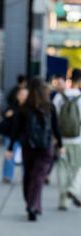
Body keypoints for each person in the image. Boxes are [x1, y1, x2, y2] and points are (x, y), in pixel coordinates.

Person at [6, 77, 63, 221]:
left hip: (28, 146)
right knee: (38, 177)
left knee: (29, 175)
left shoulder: (24, 107)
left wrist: (10, 147)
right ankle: (33, 205)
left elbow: (16, 129)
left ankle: (30, 203)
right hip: (45, 148)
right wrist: (60, 145)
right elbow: (56, 128)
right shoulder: (50, 107)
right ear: (44, 90)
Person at [53, 68, 81, 209]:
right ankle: (73, 189)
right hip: (77, 140)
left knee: (62, 168)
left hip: (62, 140)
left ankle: (63, 201)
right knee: (76, 168)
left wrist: (54, 137)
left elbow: (54, 118)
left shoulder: (59, 97)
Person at [0, 86, 29, 183]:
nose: (23, 97)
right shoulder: (12, 106)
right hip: (11, 135)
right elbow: (4, 114)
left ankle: (26, 177)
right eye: (21, 95)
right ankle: (7, 176)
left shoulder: (30, 109)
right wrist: (7, 114)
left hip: (25, 137)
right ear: (17, 96)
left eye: (25, 95)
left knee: (26, 158)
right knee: (9, 155)